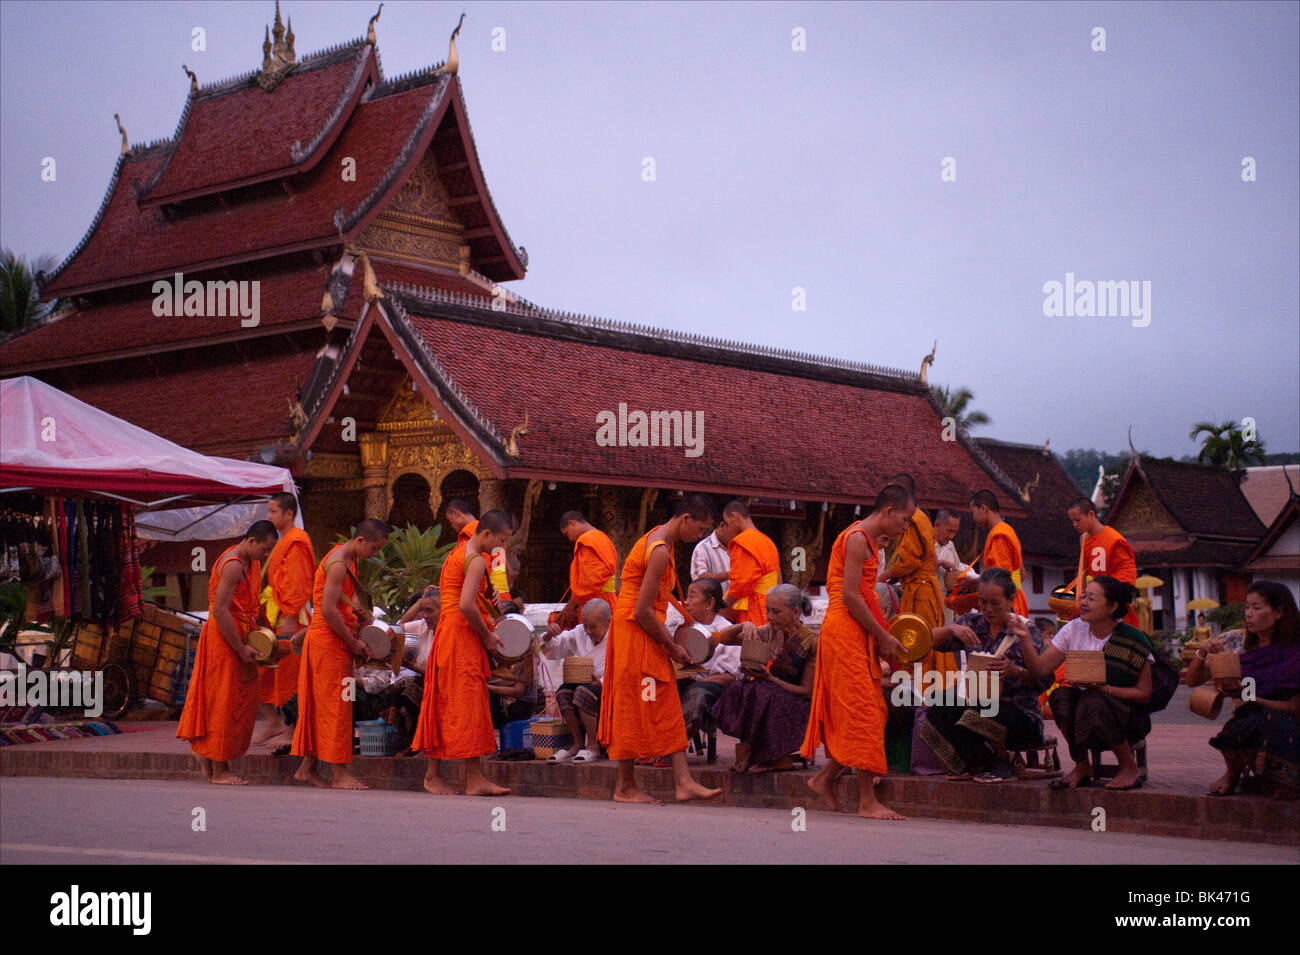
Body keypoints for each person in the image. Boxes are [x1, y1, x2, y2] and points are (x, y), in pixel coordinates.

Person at [597, 493, 723, 803]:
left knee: (650, 703)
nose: (701, 537)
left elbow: (654, 598)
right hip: (636, 631)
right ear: (685, 519)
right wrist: (671, 648)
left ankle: (679, 782)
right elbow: (642, 610)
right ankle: (630, 786)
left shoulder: (655, 539)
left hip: (634, 632)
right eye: (701, 529)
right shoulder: (660, 551)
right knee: (644, 703)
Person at [800, 485, 912, 820]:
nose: (905, 527)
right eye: (904, 519)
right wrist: (883, 636)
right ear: (888, 511)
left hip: (856, 632)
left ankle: (824, 778)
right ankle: (866, 801)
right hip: (844, 632)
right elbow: (850, 595)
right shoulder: (857, 538)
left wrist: (880, 635)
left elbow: (864, 594)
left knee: (871, 711)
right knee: (864, 712)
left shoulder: (871, 542)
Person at [1017, 576, 1154, 791]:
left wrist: (1104, 689)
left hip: (1127, 716)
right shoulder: (1073, 629)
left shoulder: (1133, 639)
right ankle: (1082, 765)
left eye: (1091, 598)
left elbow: (1144, 694)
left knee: (1095, 699)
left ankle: (1128, 766)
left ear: (1113, 606)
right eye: (1082, 597)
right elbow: (1041, 669)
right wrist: (1024, 639)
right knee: (1060, 697)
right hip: (1084, 714)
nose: (1082, 602)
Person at [413, 510, 515, 796]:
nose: (501, 548)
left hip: (449, 633)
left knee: (446, 703)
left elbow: (461, 596)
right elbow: (466, 605)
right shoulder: (475, 561)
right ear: (485, 534)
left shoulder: (460, 552)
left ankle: (435, 775)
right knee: (469, 704)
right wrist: (487, 636)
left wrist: (488, 596)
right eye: (501, 540)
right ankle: (473, 779)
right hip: (462, 636)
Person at [920, 569, 1051, 782]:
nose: (988, 609)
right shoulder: (973, 623)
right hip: (977, 705)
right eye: (983, 602)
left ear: (1011, 600)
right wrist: (951, 629)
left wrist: (1015, 671)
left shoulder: (1026, 632)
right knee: (939, 703)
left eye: (995, 603)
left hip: (1018, 714)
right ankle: (976, 761)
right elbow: (926, 640)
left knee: (983, 709)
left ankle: (1001, 762)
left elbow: (1044, 679)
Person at [177, 521, 279, 785]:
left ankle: (206, 753)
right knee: (224, 702)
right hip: (224, 639)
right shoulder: (233, 564)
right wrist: (240, 647)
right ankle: (220, 769)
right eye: (265, 549)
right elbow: (221, 610)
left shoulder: (252, 563)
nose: (265, 555)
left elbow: (253, 605)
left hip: (242, 635)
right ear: (251, 541)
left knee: (240, 701)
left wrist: (269, 635)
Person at [291, 519, 389, 790]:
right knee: (338, 706)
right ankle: (338, 774)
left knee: (325, 705)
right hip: (329, 643)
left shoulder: (348, 557)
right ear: (360, 541)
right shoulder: (338, 563)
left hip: (333, 641)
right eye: (374, 548)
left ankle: (306, 768)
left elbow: (340, 604)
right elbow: (327, 611)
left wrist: (356, 617)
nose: (375, 555)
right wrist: (353, 642)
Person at [1185, 581, 1299, 798]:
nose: (1249, 614)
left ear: (1278, 612)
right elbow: (1192, 681)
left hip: (1289, 718)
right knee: (1243, 722)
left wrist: (1252, 697)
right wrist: (1202, 654)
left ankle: (1286, 779)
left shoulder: (1295, 649)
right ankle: (1233, 773)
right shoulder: (1235, 641)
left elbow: (1294, 705)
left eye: (1257, 608)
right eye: (1247, 607)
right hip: (1248, 714)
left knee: (1270, 720)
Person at [711, 583, 818, 774]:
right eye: (768, 610)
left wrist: (770, 679)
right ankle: (754, 753)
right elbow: (724, 638)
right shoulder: (771, 631)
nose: (770, 616)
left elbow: (806, 691)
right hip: (772, 694)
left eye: (776, 612)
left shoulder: (811, 642)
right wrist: (744, 625)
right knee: (741, 688)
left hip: (798, 705)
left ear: (794, 612)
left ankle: (779, 759)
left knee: (762, 692)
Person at [253, 493, 315, 753]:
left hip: (292, 620)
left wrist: (289, 616)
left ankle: (291, 728)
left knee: (290, 676)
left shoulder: (297, 542)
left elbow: (298, 582)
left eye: (273, 511)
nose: (269, 516)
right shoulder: (284, 542)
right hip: (276, 616)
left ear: (288, 514)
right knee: (262, 671)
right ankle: (273, 721)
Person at [883, 474, 954, 677]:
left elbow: (909, 561)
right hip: (925, 586)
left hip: (920, 589)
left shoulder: (912, 520)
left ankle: (922, 693)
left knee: (917, 642)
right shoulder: (921, 517)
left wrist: (883, 577)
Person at [541, 598, 613, 762]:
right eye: (586, 625)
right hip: (583, 683)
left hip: (610, 686)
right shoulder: (580, 632)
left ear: (608, 621)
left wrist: (601, 681)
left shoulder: (618, 636)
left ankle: (593, 747)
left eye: (593, 626)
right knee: (564, 692)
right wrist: (549, 635)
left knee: (583, 692)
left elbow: (625, 667)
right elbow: (556, 645)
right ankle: (577, 743)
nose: (588, 630)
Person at [676, 577, 739, 749]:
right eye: (686, 597)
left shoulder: (726, 630)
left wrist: (699, 681)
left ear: (710, 603)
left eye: (692, 597)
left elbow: (729, 677)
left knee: (698, 692)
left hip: (714, 689)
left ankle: (675, 747)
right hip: (689, 683)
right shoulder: (684, 629)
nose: (686, 603)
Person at [1065, 496, 1138, 626]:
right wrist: (1079, 599)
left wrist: (1102, 596)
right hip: (1089, 604)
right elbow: (1083, 573)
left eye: (1078, 520)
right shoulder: (1084, 539)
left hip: (1108, 604)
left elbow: (1127, 575)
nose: (1074, 525)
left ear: (1091, 514)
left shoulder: (1115, 540)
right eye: (1072, 521)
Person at [547, 511, 619, 635]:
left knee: (592, 646)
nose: (570, 538)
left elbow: (588, 582)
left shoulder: (587, 540)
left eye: (567, 533)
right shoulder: (603, 538)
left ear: (572, 523)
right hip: (608, 601)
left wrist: (569, 607)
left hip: (595, 605)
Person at [718, 500, 781, 625]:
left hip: (755, 611)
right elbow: (779, 580)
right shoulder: (768, 542)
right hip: (771, 609)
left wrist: (721, 608)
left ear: (735, 517)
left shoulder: (744, 541)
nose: (727, 527)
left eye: (727, 522)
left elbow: (740, 586)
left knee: (752, 643)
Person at [969, 490, 1029, 617]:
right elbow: (1022, 574)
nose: (973, 517)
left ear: (984, 508)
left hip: (1005, 606)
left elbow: (1000, 580)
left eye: (973, 512)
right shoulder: (1007, 530)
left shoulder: (999, 536)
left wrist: (973, 582)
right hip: (1014, 599)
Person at [690, 525, 730, 597]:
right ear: (722, 526)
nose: (737, 535)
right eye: (734, 531)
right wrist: (730, 575)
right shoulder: (703, 548)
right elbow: (699, 581)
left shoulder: (738, 546)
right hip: (716, 607)